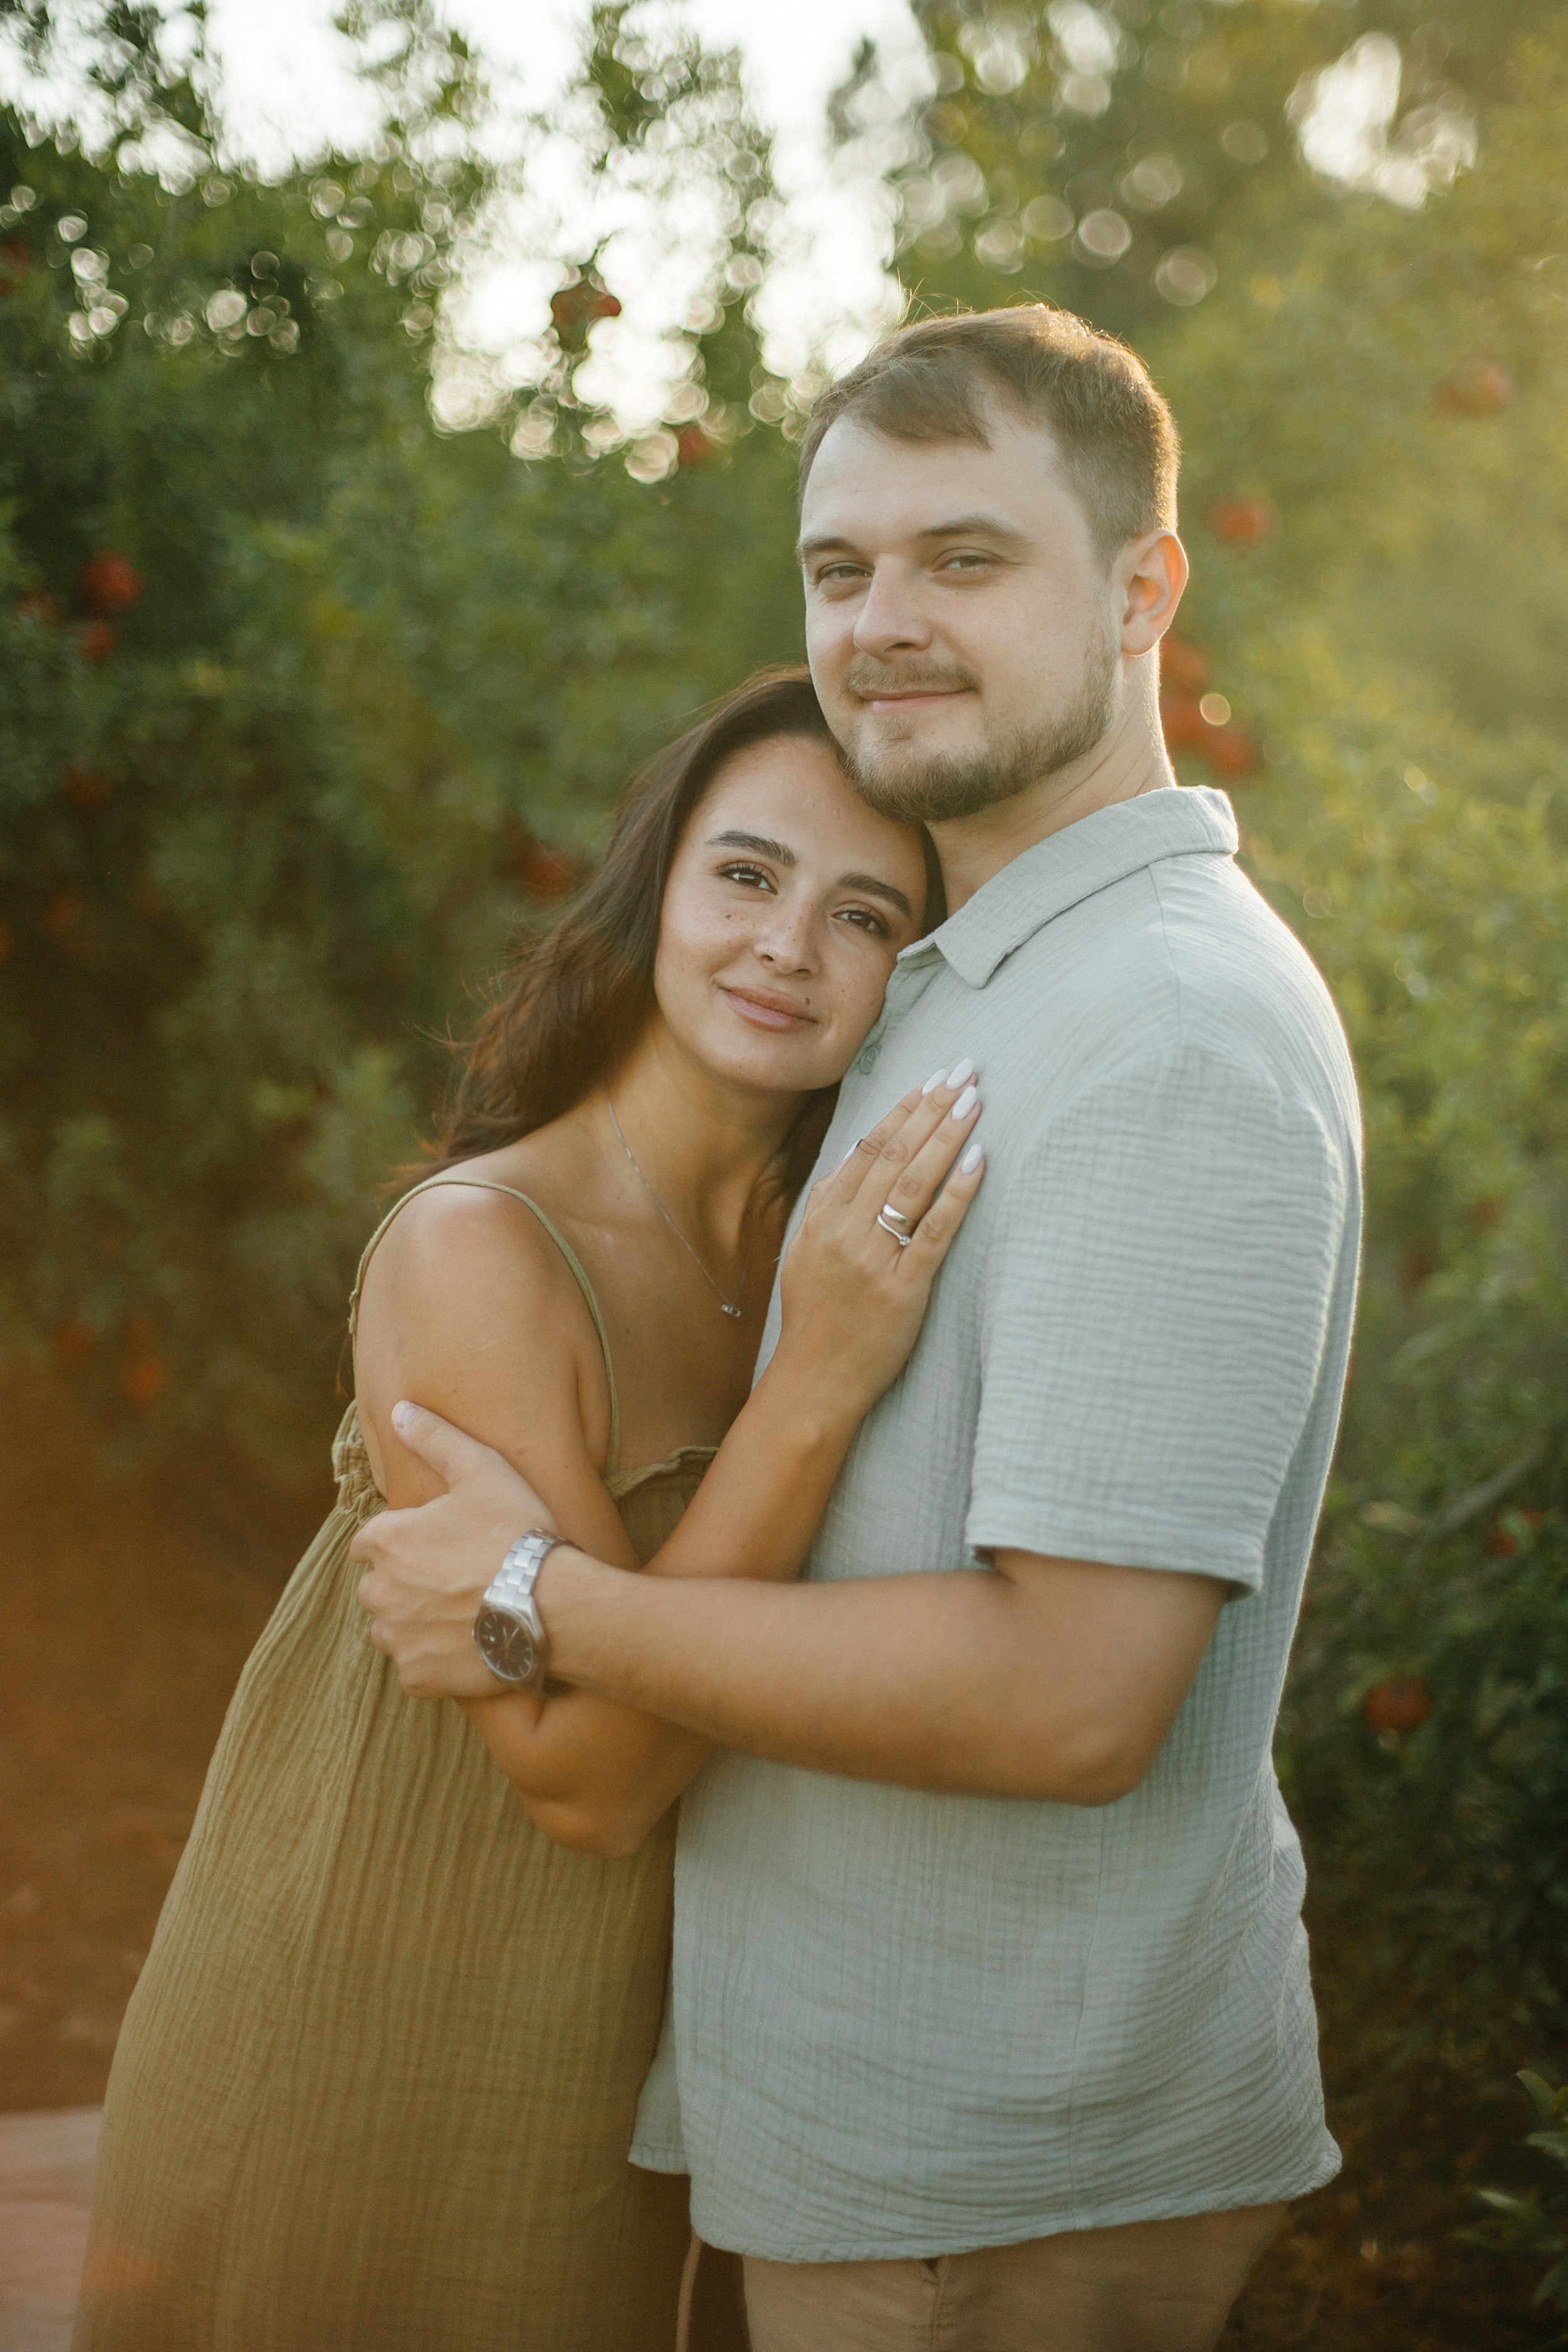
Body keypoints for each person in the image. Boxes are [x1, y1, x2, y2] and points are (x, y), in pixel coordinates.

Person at [357, 303, 1364, 2352]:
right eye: (842, 568)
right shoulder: (974, 971)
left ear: (1143, 588)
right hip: (893, 2144)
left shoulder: (1169, 1031)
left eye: (965, 561)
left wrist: (544, 1590)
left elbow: (1071, 1697)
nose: (883, 621)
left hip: (1007, 2165)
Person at [72, 669, 983, 2352]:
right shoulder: (484, 1248)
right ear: (656, 892)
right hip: (363, 2015)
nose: (788, 943)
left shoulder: (805, 1261)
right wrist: (817, 1391)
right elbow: (589, 1774)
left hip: (624, 2054)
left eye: (864, 914)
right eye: (747, 875)